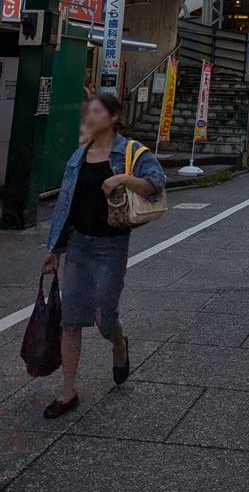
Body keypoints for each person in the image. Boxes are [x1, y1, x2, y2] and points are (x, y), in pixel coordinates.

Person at [41, 93, 165, 420]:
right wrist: (54, 250)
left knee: (103, 317)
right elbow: (67, 206)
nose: (90, 117)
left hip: (111, 246)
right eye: (88, 112)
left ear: (113, 117)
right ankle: (68, 391)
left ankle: (119, 341)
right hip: (79, 246)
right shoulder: (78, 157)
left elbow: (156, 183)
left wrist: (123, 178)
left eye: (96, 112)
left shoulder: (130, 152)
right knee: (71, 320)